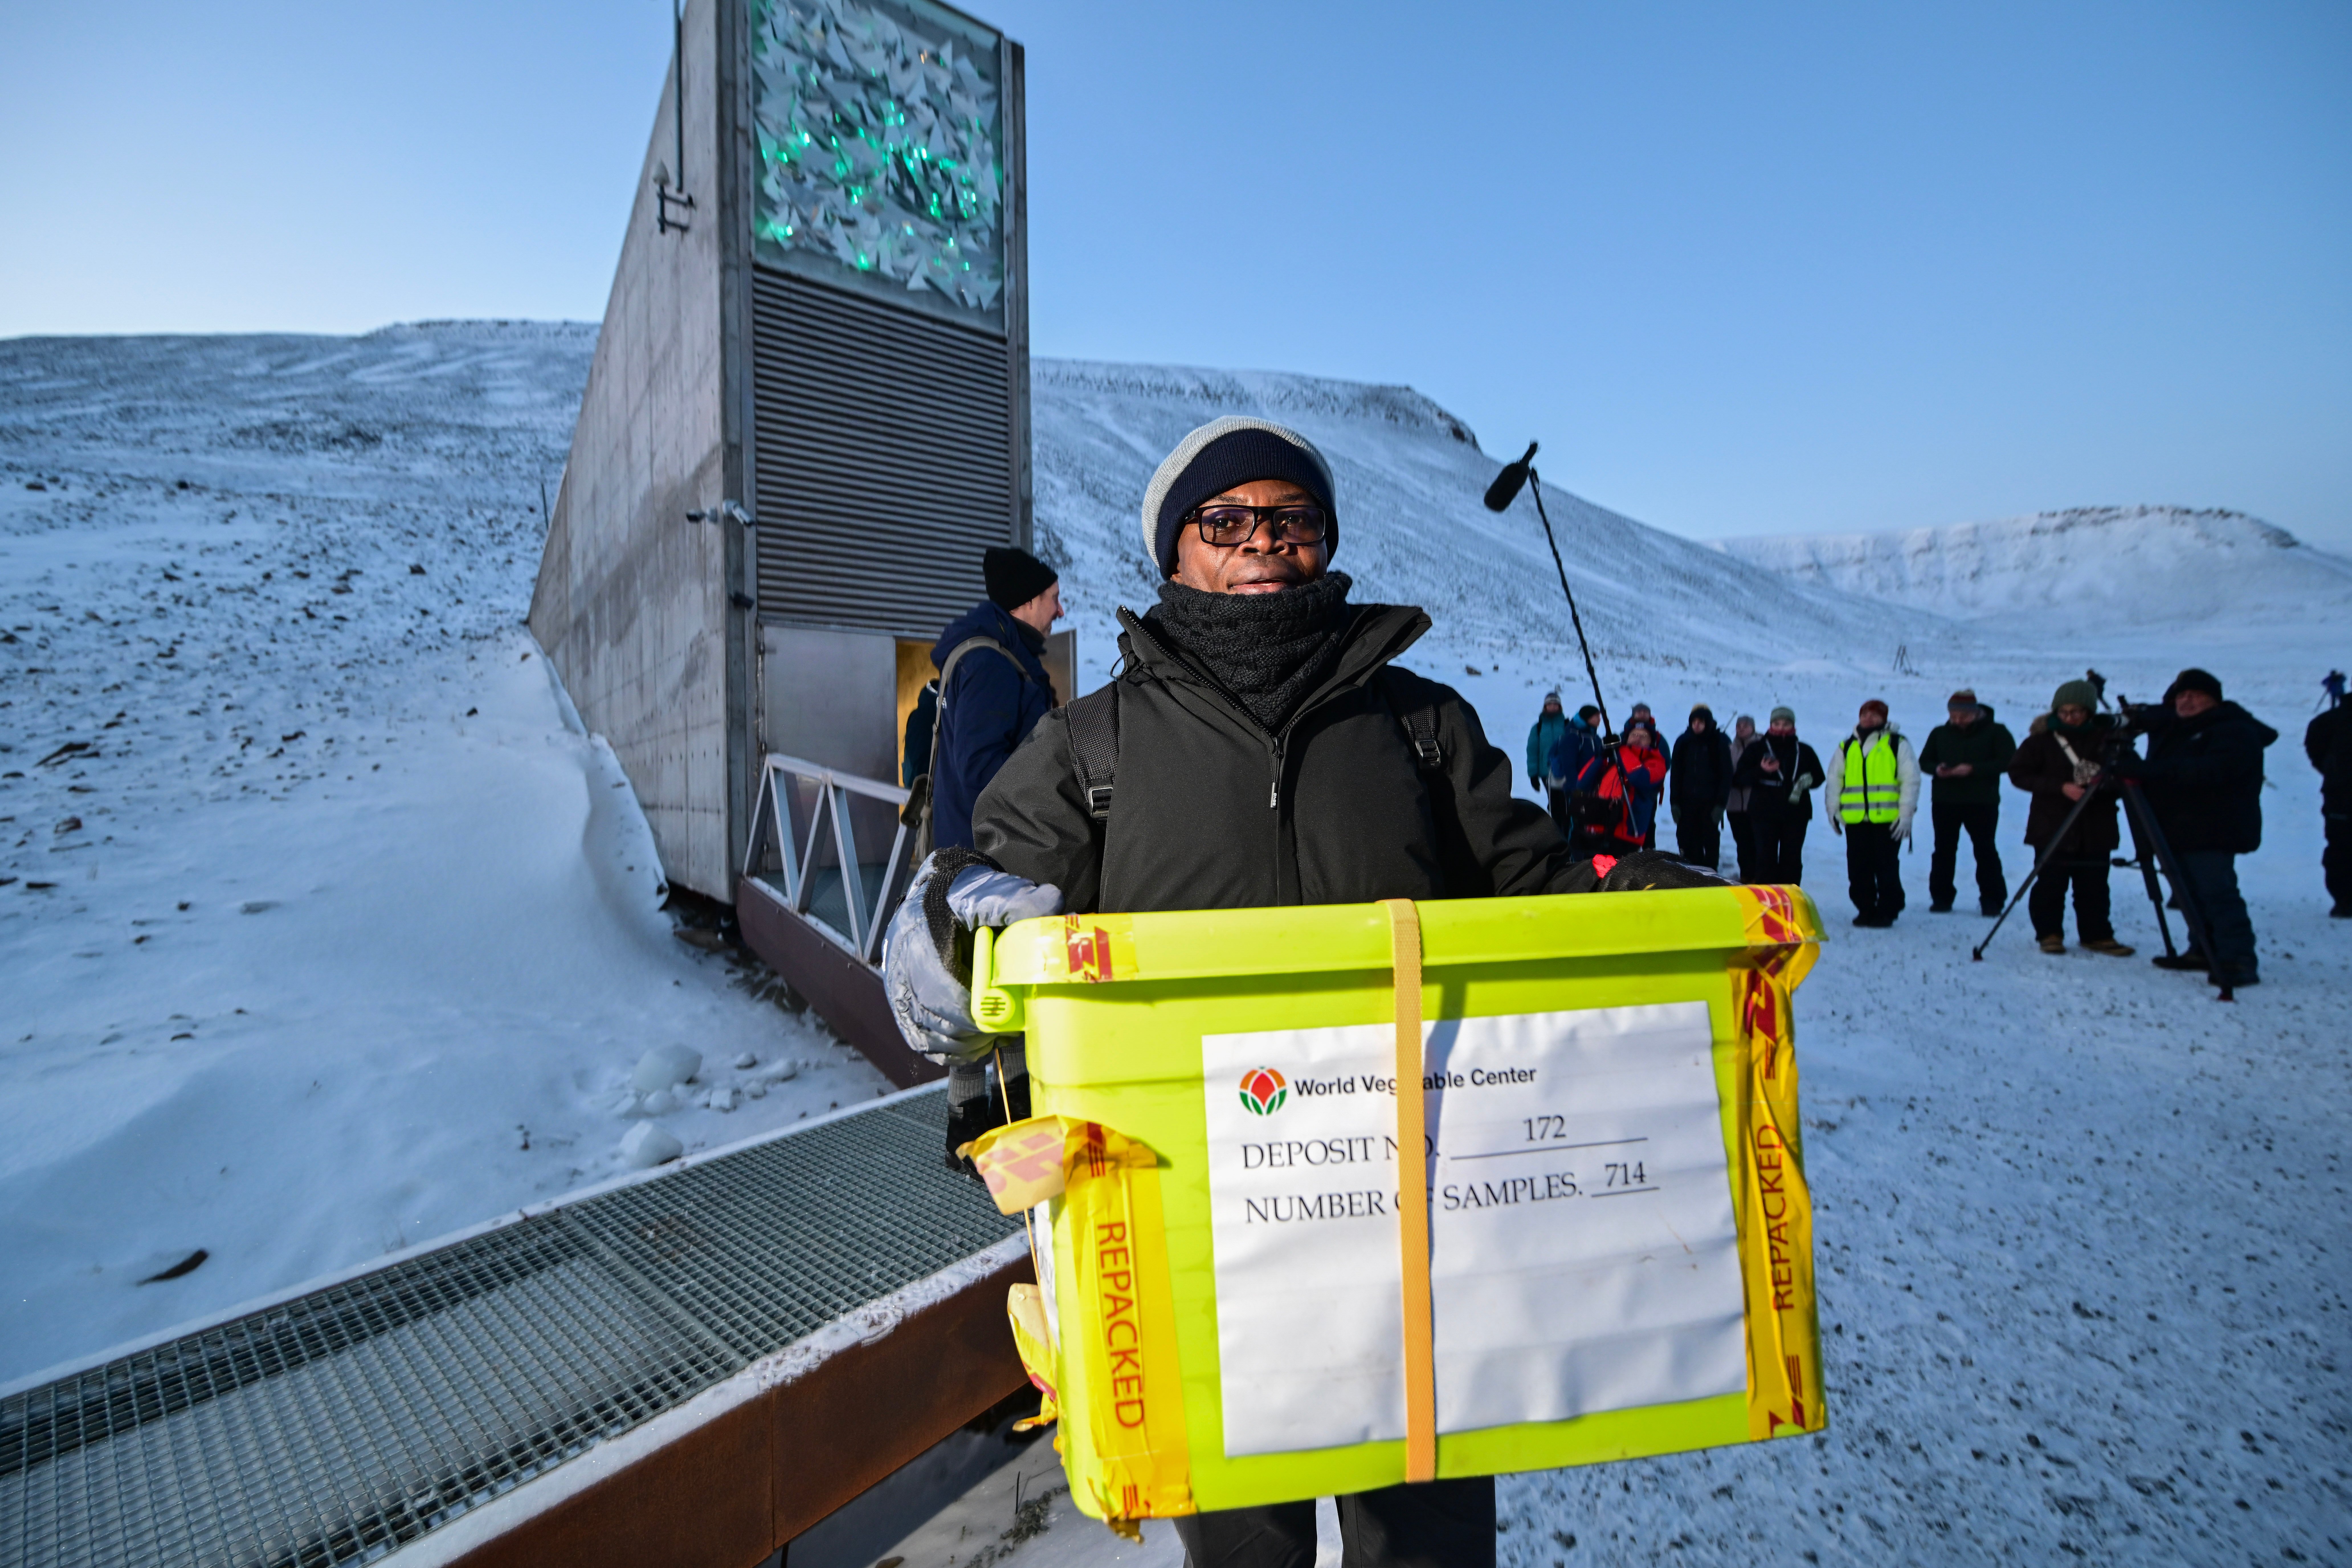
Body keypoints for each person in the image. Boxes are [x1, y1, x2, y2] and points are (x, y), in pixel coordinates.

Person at [880, 414, 1718, 1568]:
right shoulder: (1092, 749)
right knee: (1244, 1549)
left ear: (1325, 540)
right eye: (1226, 519)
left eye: (1292, 518)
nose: (1263, 540)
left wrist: (1641, 897)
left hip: (1423, 1227)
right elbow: (973, 889)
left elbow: (1534, 881)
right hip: (1197, 1243)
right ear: (1175, 550)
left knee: (1427, 1539)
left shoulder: (1421, 727)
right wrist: (946, 933)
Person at [2118, 668, 2278, 988]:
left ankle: (2238, 958)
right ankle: (2203, 949)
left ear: (2215, 700)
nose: (2186, 701)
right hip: (2180, 825)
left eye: (2196, 695)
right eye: (2181, 696)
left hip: (2215, 826)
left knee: (2217, 893)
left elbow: (2212, 771)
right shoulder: (2181, 729)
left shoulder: (2234, 731)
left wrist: (2150, 771)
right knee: (2189, 893)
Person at [926, 546, 1063, 852]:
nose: (1061, 610)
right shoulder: (991, 665)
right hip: (987, 855)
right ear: (1028, 601)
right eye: (1054, 598)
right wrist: (1056, 771)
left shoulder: (988, 656)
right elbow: (980, 769)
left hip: (969, 841)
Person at [2007, 680, 2135, 957]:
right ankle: (2049, 933)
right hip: (2051, 824)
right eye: (2064, 711)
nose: (2070, 717)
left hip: (2096, 825)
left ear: (2089, 711)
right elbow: (2019, 774)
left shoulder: (2109, 740)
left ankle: (2097, 934)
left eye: (2076, 711)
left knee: (2094, 885)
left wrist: (2102, 784)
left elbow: (2132, 775)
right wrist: (2060, 787)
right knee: (2050, 883)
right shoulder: (2040, 740)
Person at [1917, 689, 2015, 915]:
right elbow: (1925, 761)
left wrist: (1974, 769)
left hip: (1982, 801)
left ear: (1976, 713)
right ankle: (1941, 898)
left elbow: (2010, 761)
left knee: (1985, 850)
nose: (1959, 720)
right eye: (1954, 716)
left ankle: (1992, 900)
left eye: (1964, 716)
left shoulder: (1996, 732)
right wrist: (1939, 769)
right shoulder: (1940, 733)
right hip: (1945, 801)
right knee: (1943, 850)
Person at [1825, 699, 1919, 927]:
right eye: (1865, 714)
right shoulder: (1847, 746)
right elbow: (1835, 780)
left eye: (1875, 714)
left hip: (1888, 820)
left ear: (1884, 718)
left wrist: (1906, 814)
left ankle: (1888, 910)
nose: (1869, 718)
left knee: (1886, 867)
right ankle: (1865, 908)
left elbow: (1911, 780)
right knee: (1858, 868)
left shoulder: (1897, 744)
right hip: (1856, 820)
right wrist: (1833, 810)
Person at [1732, 707, 1824, 884]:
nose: (1781, 728)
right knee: (1765, 858)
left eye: (1786, 724)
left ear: (1793, 726)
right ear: (1771, 725)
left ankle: (1789, 895)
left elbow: (1819, 777)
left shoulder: (1804, 750)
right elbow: (1740, 778)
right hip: (1763, 812)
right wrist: (1761, 771)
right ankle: (1766, 895)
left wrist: (1808, 780)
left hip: (1796, 812)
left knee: (1792, 859)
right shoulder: (1757, 749)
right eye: (1777, 724)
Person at [1577, 716, 1670, 854]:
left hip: (1626, 837)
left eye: (1644, 736)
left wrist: (1622, 750)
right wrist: (1601, 756)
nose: (1638, 738)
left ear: (1652, 742)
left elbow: (1639, 778)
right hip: (1596, 831)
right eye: (1634, 735)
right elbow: (1582, 783)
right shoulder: (1614, 760)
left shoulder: (1656, 763)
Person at [1670, 705, 1734, 870]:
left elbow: (1726, 776)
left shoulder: (1719, 742)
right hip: (1687, 802)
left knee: (1710, 840)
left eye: (1701, 722)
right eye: (1694, 722)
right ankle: (1691, 871)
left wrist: (1721, 804)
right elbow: (1676, 774)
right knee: (1686, 838)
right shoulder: (1684, 742)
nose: (1697, 725)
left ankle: (1711, 872)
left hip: (1710, 803)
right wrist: (1675, 802)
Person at [2306, 679, 2351, 916]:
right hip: (2341, 794)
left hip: (2338, 792)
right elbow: (2316, 748)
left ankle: (2345, 900)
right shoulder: (2331, 721)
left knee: (2341, 847)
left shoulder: (2328, 720)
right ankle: (2345, 900)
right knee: (2342, 847)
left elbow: (2315, 749)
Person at [1545, 703, 1605, 852]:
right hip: (1573, 788)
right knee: (1569, 822)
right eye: (1596, 716)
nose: (1599, 719)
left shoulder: (1594, 737)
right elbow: (1569, 765)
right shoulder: (1573, 736)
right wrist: (1575, 788)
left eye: (1599, 716)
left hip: (1588, 788)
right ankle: (1565, 853)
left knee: (1581, 822)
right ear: (1587, 718)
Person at [1725, 714, 1761, 881]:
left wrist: (1743, 779)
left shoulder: (1761, 747)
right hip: (1734, 804)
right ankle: (1746, 876)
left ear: (1753, 728)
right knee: (1742, 843)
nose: (1742, 729)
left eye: (1746, 725)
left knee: (1758, 842)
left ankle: (1760, 877)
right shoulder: (1731, 749)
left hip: (1755, 804)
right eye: (1739, 726)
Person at [1527, 689, 1569, 829]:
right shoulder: (1538, 728)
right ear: (1545, 707)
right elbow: (1532, 752)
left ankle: (1565, 830)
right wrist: (1533, 775)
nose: (1553, 707)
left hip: (1565, 771)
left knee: (1566, 803)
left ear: (1560, 707)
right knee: (1554, 802)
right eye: (1550, 705)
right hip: (1546, 772)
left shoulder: (1567, 725)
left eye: (1555, 704)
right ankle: (1556, 830)